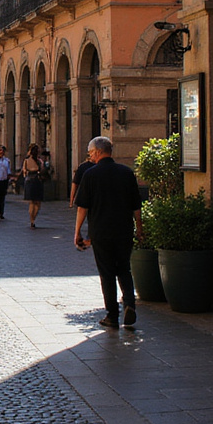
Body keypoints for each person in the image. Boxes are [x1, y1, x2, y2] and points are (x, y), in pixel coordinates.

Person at [73, 136, 143, 330]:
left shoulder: (90, 175)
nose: (90, 157)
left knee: (107, 273)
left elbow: (82, 208)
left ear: (97, 152)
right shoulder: (126, 173)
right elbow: (136, 205)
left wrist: (77, 232)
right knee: (124, 269)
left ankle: (112, 315)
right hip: (124, 230)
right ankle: (129, 303)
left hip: (100, 232)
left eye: (90, 154)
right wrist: (139, 228)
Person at [21, 143, 44, 229]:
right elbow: (42, 169)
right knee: (38, 202)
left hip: (29, 181)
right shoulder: (39, 161)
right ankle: (34, 218)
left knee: (32, 202)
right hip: (37, 181)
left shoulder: (26, 160)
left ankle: (32, 220)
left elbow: (24, 171)